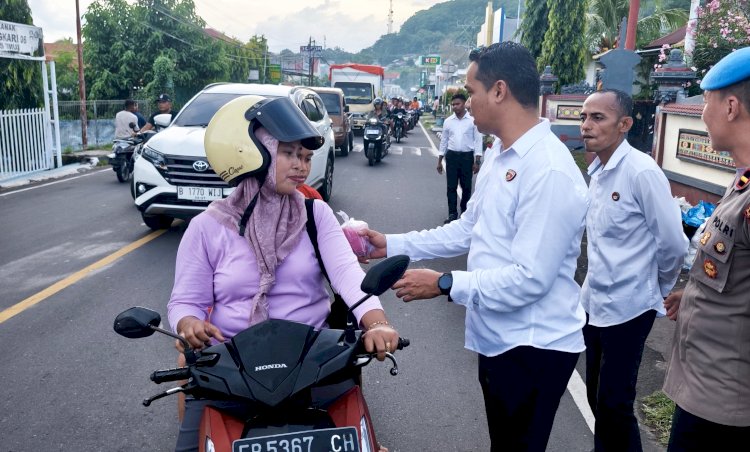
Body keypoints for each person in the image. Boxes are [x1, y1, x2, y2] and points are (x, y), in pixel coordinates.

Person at [361, 42, 590, 452]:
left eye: (471, 90)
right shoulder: (501, 155)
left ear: (499, 90)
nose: (466, 101)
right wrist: (392, 244)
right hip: (500, 338)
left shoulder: (549, 170)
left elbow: (530, 279)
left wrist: (446, 283)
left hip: (534, 346)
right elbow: (469, 229)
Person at [168, 95, 399, 452]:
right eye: (289, 153)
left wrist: (377, 323)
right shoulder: (206, 228)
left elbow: (349, 276)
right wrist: (189, 324)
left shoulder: (315, 215)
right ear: (251, 152)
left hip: (314, 364)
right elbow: (186, 300)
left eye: (306, 157)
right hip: (229, 368)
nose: (302, 167)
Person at [579, 89, 688, 451]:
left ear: (624, 124)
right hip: (595, 303)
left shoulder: (641, 172)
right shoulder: (598, 172)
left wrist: (657, 287)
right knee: (597, 399)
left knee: (615, 403)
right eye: (583, 117)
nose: (586, 126)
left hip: (630, 307)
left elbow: (673, 242)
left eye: (598, 118)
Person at [662, 46, 750, 451]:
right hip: (706, 386)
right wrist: (693, 292)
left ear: (731, 106)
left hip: (728, 404)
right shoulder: (742, 178)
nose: (701, 113)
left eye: (707, 102)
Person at [437, 93, 483, 223]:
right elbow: (444, 142)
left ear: (464, 104)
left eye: (457, 104)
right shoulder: (448, 122)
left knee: (466, 187)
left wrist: (477, 161)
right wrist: (440, 160)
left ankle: (464, 212)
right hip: (451, 157)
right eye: (453, 104)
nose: (454, 107)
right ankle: (452, 213)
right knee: (451, 187)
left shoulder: (472, 120)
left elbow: (478, 140)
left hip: (467, 158)